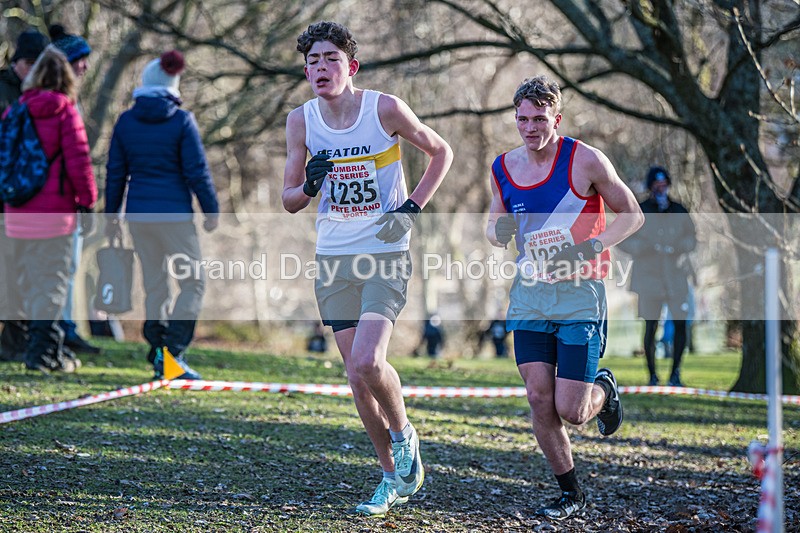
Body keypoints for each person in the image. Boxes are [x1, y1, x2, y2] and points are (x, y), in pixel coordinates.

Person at [282, 22, 453, 517]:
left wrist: (413, 207)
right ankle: (391, 476)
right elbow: (289, 200)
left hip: (384, 253)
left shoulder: (384, 108)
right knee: (357, 380)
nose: (320, 68)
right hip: (333, 258)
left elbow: (441, 151)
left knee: (367, 362)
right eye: (312, 61)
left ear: (351, 67)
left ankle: (404, 437)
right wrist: (310, 187)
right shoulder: (302, 121)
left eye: (330, 59)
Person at [486, 75, 643, 520]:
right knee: (539, 397)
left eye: (539, 118)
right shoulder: (503, 166)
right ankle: (570, 492)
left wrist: (589, 248)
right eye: (522, 119)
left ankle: (604, 389)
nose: (530, 127)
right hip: (530, 295)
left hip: (580, 296)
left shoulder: (586, 160)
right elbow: (495, 222)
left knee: (571, 411)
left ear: (557, 118)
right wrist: (496, 231)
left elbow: (632, 215)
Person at [105, 50, 219, 380]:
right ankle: (173, 354)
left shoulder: (126, 121)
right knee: (193, 283)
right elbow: (197, 171)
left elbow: (115, 173)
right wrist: (211, 210)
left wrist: (110, 215)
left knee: (156, 286)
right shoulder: (181, 120)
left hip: (139, 216)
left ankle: (158, 354)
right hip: (175, 218)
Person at [4, 45, 97, 372]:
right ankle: (43, 355)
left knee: (30, 284)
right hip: (54, 215)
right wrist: (88, 202)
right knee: (53, 285)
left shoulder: (16, 110)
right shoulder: (64, 111)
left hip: (16, 214)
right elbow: (79, 162)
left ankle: (43, 349)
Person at [617, 166, 696, 387]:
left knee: (681, 325)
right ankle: (652, 375)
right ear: (650, 187)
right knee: (650, 326)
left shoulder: (679, 210)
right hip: (648, 279)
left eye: (664, 185)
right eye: (656, 185)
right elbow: (623, 239)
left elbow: (692, 238)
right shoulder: (639, 210)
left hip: (675, 277)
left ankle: (675, 374)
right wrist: (644, 248)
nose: (661, 189)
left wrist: (678, 248)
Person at [50, 23, 101, 355]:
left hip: (65, 199)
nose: (85, 66)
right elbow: (77, 156)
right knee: (57, 268)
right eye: (80, 59)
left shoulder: (70, 100)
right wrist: (88, 198)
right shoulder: (62, 103)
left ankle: (64, 327)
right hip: (59, 200)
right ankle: (57, 332)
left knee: (67, 267)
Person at [0, 29, 49, 362]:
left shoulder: (39, 94)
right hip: (7, 195)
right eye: (31, 63)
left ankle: (16, 341)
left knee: (21, 273)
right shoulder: (5, 92)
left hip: (24, 199)